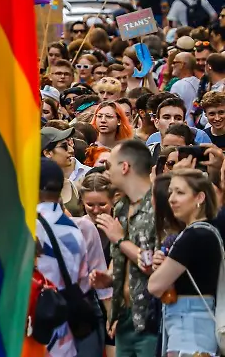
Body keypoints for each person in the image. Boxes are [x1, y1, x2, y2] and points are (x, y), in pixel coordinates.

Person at [89, 139, 158, 357]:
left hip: (152, 316)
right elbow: (122, 259)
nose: (107, 173)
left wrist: (119, 239)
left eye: (110, 166)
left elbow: (153, 265)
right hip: (125, 316)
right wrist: (108, 276)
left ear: (125, 167)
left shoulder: (159, 205)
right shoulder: (121, 206)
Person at [149, 169, 223, 355]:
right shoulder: (208, 232)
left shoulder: (193, 236)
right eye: (171, 192)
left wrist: (160, 270)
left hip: (189, 327)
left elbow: (155, 286)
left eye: (180, 193)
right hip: (199, 322)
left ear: (199, 197)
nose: (172, 199)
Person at [35, 158, 102, 356]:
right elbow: (82, 285)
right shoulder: (75, 230)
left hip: (33, 337)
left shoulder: (26, 227)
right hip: (64, 338)